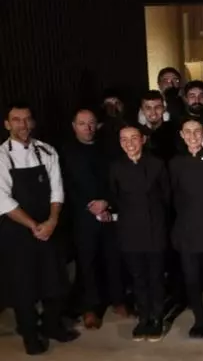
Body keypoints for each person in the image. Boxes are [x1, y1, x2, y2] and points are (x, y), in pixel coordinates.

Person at [0, 103, 79, 355]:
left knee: (55, 280)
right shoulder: (1, 156)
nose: (23, 125)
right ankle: (30, 335)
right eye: (16, 120)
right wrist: (34, 225)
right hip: (17, 231)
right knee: (23, 286)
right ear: (7, 124)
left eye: (27, 119)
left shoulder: (47, 151)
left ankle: (52, 326)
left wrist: (52, 220)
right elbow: (2, 200)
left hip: (49, 225)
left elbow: (57, 189)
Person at [62, 109, 126, 330]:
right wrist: (91, 206)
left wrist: (106, 202)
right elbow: (67, 185)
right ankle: (90, 308)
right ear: (74, 126)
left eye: (91, 123)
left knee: (113, 258)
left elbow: (116, 180)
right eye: (82, 124)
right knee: (87, 263)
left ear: (97, 125)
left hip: (108, 212)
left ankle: (118, 299)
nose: (87, 128)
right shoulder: (66, 152)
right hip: (82, 215)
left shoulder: (108, 149)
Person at [108, 124, 171, 342]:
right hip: (129, 231)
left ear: (143, 139)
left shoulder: (157, 164)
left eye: (134, 138)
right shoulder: (116, 167)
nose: (129, 143)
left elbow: (166, 197)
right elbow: (114, 198)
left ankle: (157, 319)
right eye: (124, 139)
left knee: (155, 278)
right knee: (137, 278)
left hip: (155, 229)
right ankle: (143, 318)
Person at [168, 118, 203, 339]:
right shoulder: (174, 163)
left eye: (197, 131)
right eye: (187, 132)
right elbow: (171, 198)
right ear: (182, 135)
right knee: (191, 279)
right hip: (185, 229)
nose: (192, 136)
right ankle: (198, 319)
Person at [141, 90, 179, 161]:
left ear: (164, 108)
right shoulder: (137, 133)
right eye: (148, 108)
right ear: (142, 110)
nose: (153, 112)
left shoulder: (176, 131)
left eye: (157, 107)